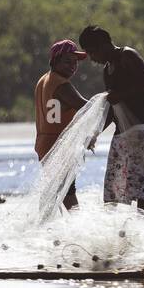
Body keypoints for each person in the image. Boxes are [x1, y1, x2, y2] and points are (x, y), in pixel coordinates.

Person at [78, 25, 144, 213]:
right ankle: (120, 227)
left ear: (103, 45)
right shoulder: (107, 70)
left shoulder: (127, 55)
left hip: (142, 128)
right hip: (122, 132)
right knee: (114, 181)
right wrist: (96, 133)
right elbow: (114, 109)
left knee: (139, 179)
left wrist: (120, 94)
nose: (92, 58)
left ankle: (140, 223)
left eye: (92, 52)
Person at [34, 38, 87, 210]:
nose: (72, 66)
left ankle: (45, 224)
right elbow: (84, 106)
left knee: (57, 188)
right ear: (55, 60)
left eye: (75, 62)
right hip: (58, 144)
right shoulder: (61, 84)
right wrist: (109, 99)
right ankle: (75, 223)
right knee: (66, 189)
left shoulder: (44, 80)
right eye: (67, 62)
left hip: (45, 143)